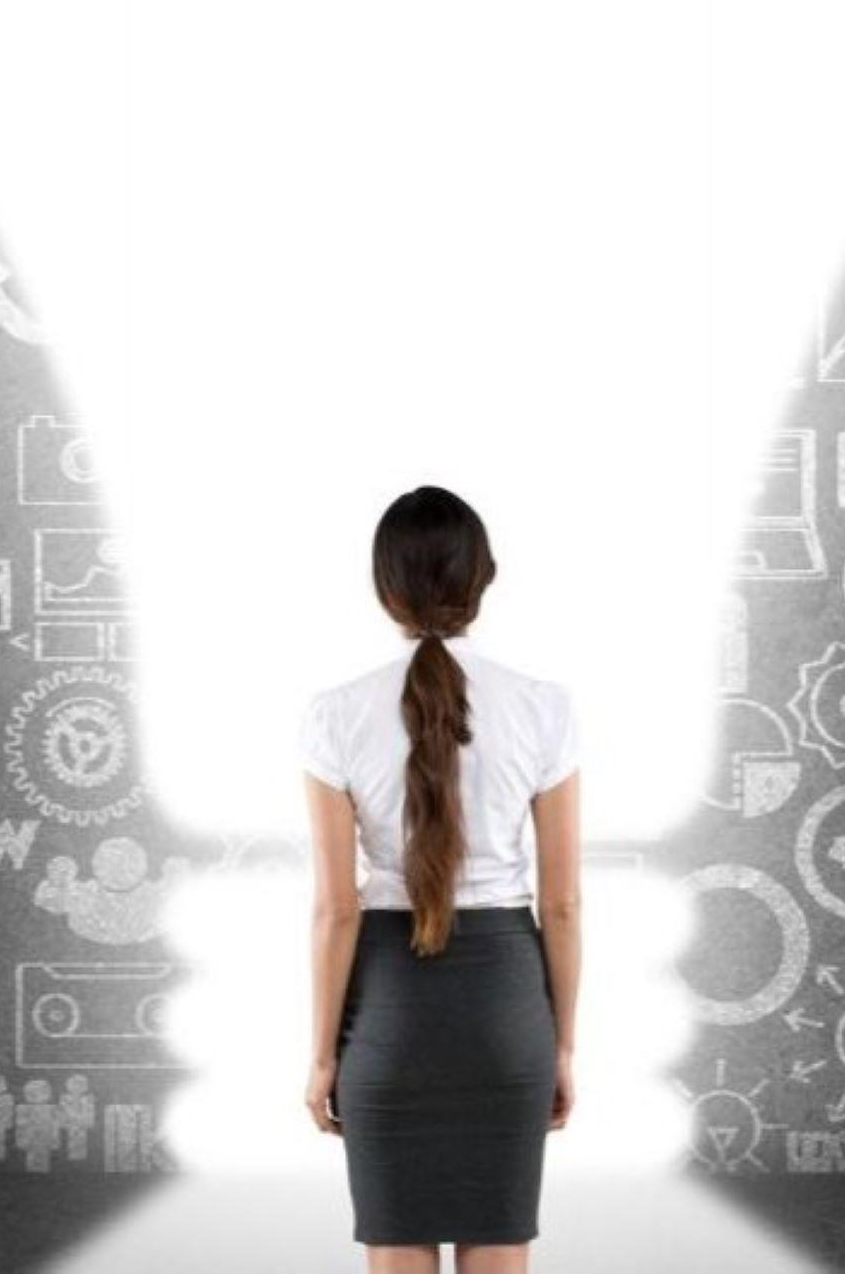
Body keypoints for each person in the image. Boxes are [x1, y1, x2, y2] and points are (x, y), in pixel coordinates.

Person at [299, 484, 581, 1274]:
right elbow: (561, 904)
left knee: (396, 1243)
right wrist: (560, 1046)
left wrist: (324, 1058)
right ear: (483, 578)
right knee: (499, 1242)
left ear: (384, 588)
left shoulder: (334, 713)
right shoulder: (543, 707)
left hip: (388, 1010)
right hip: (506, 1009)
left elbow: (334, 909)